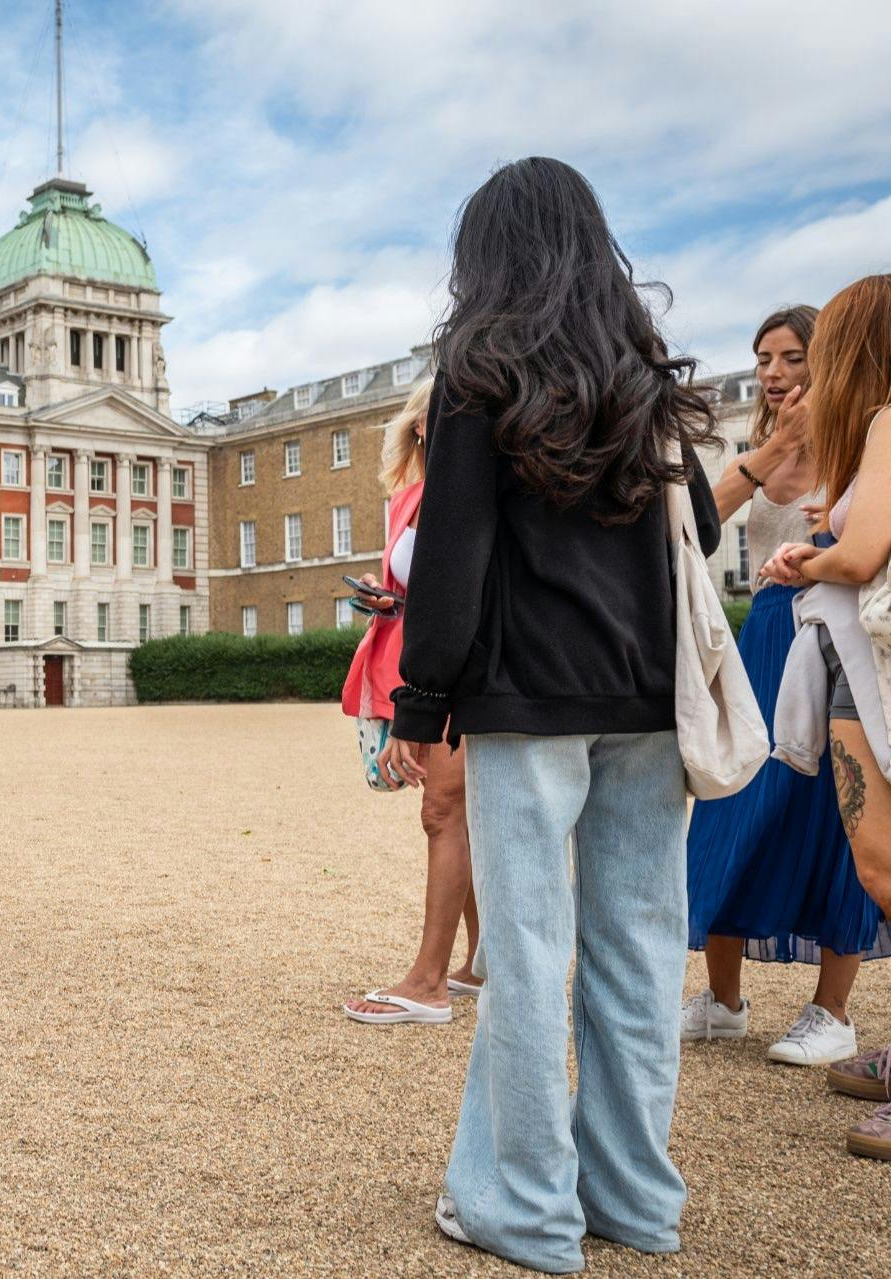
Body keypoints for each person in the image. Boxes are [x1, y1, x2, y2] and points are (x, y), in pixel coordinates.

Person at [381, 157, 720, 1272]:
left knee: (526, 956)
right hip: (649, 696)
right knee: (635, 952)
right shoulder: (645, 373)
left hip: (528, 693)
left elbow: (456, 551)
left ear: (487, 254)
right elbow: (706, 533)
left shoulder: (476, 367)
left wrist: (419, 698)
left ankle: (524, 1208)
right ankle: (633, 1199)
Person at [683, 305, 886, 1067]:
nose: (774, 371)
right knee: (729, 805)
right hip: (762, 634)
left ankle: (832, 1010)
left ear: (824, 361)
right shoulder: (760, 445)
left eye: (792, 356)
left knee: (833, 815)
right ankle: (724, 999)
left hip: (831, 633)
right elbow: (698, 523)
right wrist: (775, 447)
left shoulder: (861, 440)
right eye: (763, 356)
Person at [758, 273, 891, 1163]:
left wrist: (811, 556)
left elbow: (867, 552)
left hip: (869, 655)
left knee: (881, 858)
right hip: (856, 654)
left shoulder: (886, 421)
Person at [340, 379, 483, 1026]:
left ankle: (428, 981)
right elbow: (417, 583)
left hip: (469, 666)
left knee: (442, 808)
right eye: (437, 414)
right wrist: (381, 594)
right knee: (459, 813)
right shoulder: (407, 499)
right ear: (420, 426)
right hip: (422, 661)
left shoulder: (472, 494)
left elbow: (465, 592)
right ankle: (482, 960)